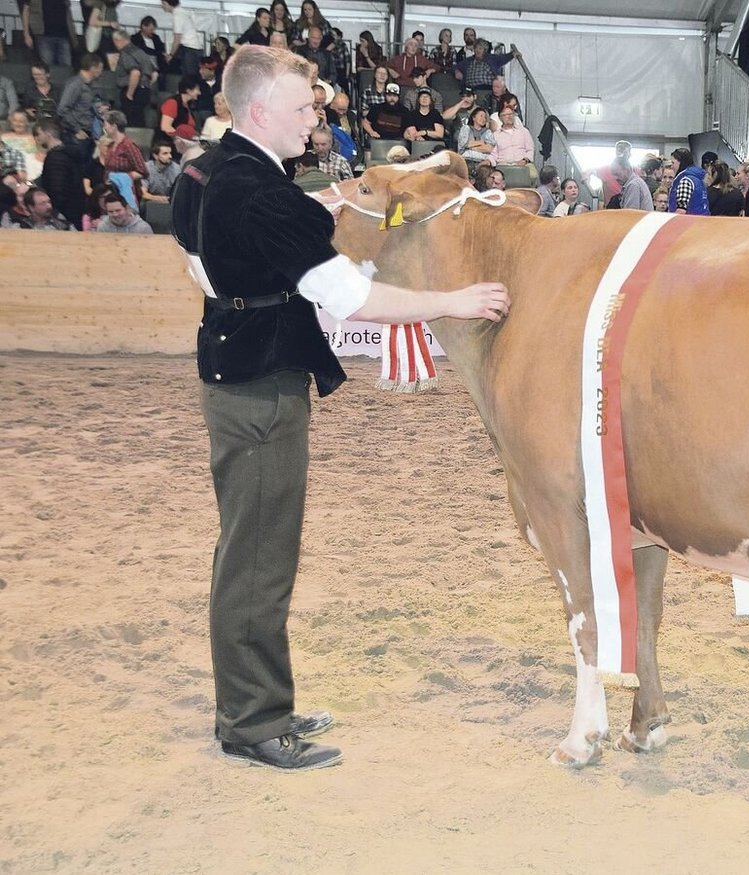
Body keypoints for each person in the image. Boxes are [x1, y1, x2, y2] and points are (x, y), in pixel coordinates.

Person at [170, 45, 510, 772]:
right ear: (259, 110)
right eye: (302, 108)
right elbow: (352, 298)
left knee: (251, 548)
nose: (315, 122)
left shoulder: (204, 172)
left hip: (234, 366)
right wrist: (453, 300)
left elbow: (198, 258)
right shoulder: (261, 193)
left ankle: (260, 700)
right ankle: (253, 722)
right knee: (259, 559)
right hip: (261, 386)